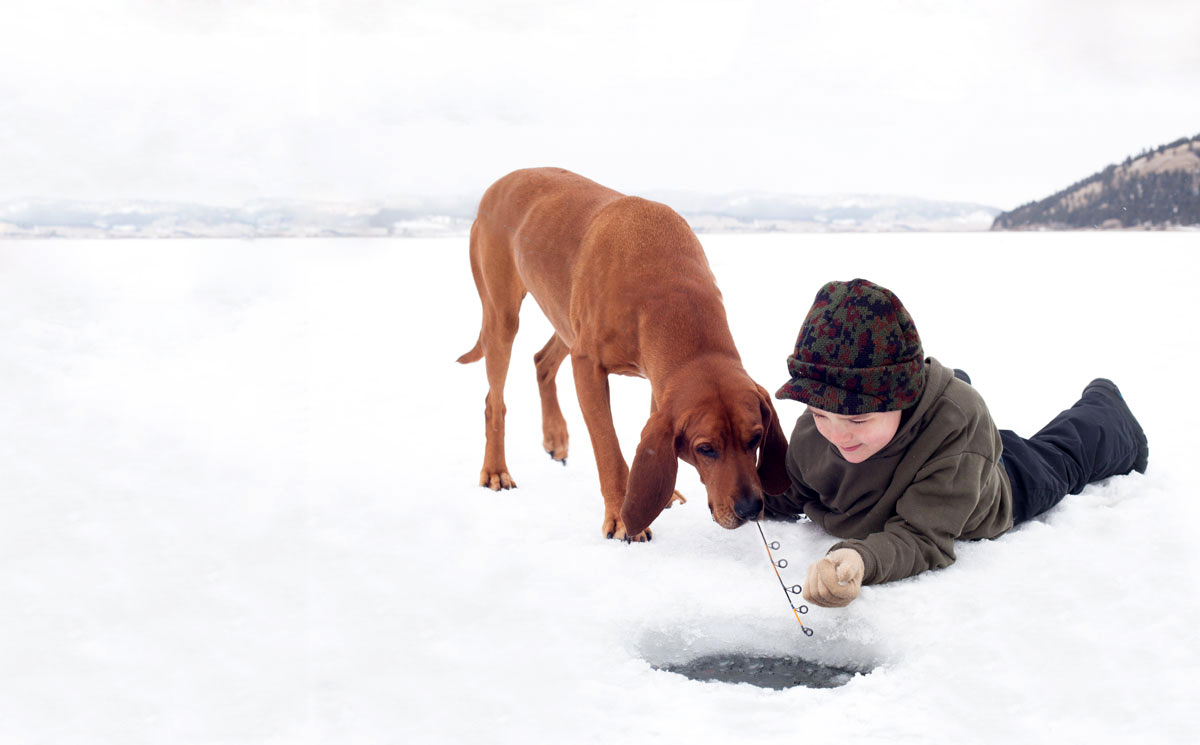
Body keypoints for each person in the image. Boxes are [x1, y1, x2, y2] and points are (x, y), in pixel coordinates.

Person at [765, 279, 1149, 608]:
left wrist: (860, 559)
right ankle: (952, 392)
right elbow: (793, 490)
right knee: (953, 415)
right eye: (819, 413)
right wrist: (748, 497)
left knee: (1063, 459)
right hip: (948, 445)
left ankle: (1107, 408)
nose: (835, 434)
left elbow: (921, 538)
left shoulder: (955, 430)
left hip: (996, 483)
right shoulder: (818, 430)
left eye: (857, 418)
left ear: (904, 398)